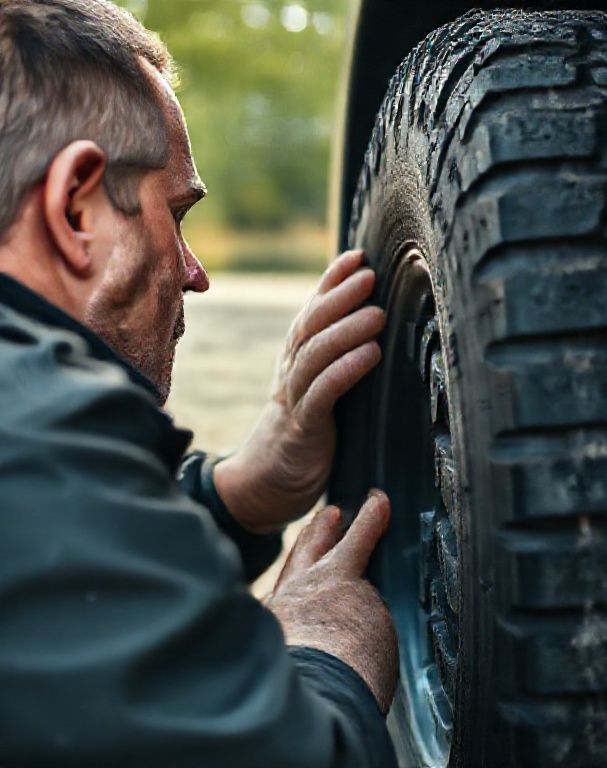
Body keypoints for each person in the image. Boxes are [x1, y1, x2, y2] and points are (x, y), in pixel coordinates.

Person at [0, 1, 399, 766]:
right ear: (74, 208)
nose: (195, 272)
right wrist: (322, 657)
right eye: (175, 214)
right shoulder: (30, 438)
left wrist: (238, 496)